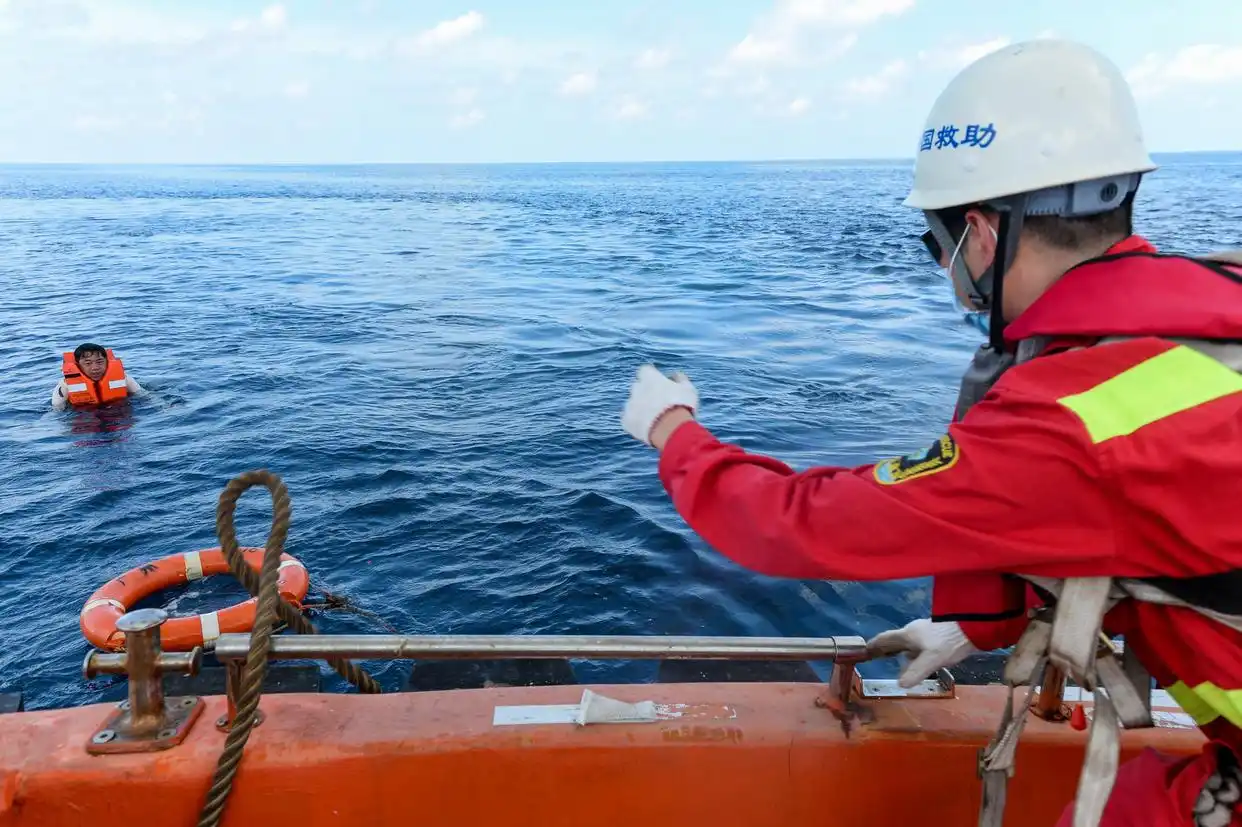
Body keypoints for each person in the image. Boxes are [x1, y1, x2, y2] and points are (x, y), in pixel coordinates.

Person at [620, 38, 1242, 827]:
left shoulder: (1071, 418)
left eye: (940, 243)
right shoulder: (1217, 308)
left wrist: (673, 430)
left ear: (980, 235)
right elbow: (1164, 517)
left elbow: (798, 522)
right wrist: (978, 624)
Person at [52, 343, 145, 411]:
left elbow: (144, 396)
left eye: (99, 362)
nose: (95, 368)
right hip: (84, 417)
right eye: (88, 363)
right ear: (78, 365)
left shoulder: (124, 379)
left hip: (118, 411)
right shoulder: (65, 386)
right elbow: (57, 409)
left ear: (107, 362)